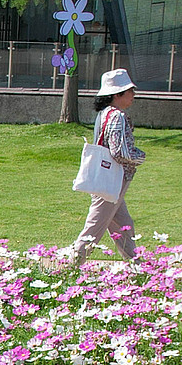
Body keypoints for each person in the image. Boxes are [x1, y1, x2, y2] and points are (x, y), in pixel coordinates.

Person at [71, 68, 146, 265]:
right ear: (116, 94)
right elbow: (120, 152)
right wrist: (140, 157)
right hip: (112, 179)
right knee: (94, 229)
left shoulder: (106, 114)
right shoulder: (117, 117)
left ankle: (137, 266)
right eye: (129, 91)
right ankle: (71, 266)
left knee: (124, 225)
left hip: (108, 179)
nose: (133, 95)